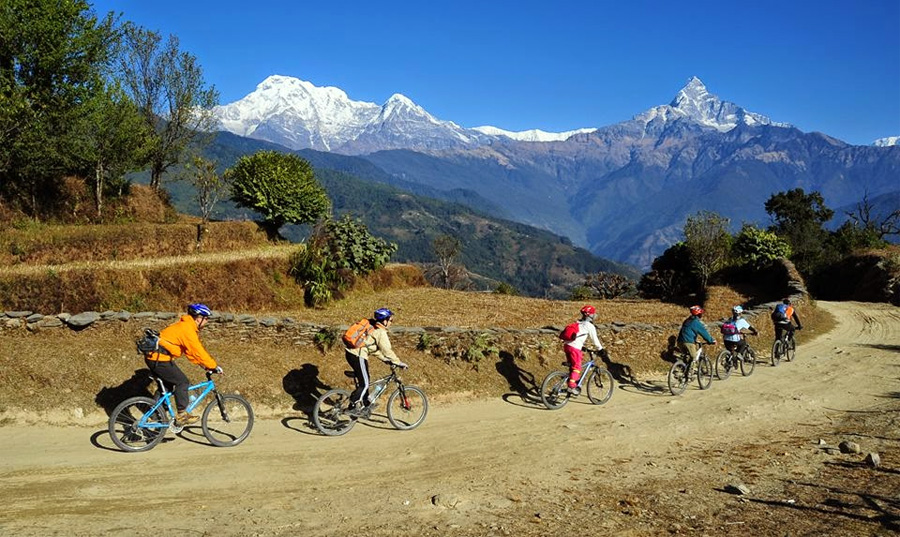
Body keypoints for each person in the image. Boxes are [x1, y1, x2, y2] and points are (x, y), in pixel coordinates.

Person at [146, 303, 221, 426]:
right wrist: (213, 366)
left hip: (155, 357)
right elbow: (197, 350)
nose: (207, 322)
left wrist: (204, 365)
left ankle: (153, 415)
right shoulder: (187, 329)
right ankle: (182, 415)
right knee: (182, 382)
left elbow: (190, 352)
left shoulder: (185, 326)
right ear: (199, 318)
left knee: (167, 387)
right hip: (159, 359)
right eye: (206, 319)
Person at [345, 308, 407, 416]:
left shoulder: (373, 328)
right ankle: (352, 407)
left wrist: (385, 360)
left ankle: (365, 406)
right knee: (364, 384)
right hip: (357, 355)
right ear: (385, 321)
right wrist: (398, 362)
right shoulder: (380, 333)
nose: (391, 323)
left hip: (353, 354)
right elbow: (387, 350)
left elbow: (373, 349)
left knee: (365, 380)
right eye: (391, 320)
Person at [561, 305, 604, 396]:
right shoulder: (589, 326)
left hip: (567, 346)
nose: (595, 315)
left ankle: (570, 379)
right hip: (574, 348)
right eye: (593, 313)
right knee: (577, 367)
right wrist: (600, 349)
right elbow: (595, 340)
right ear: (590, 315)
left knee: (572, 366)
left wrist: (583, 347)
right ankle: (571, 385)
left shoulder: (578, 323)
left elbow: (578, 336)